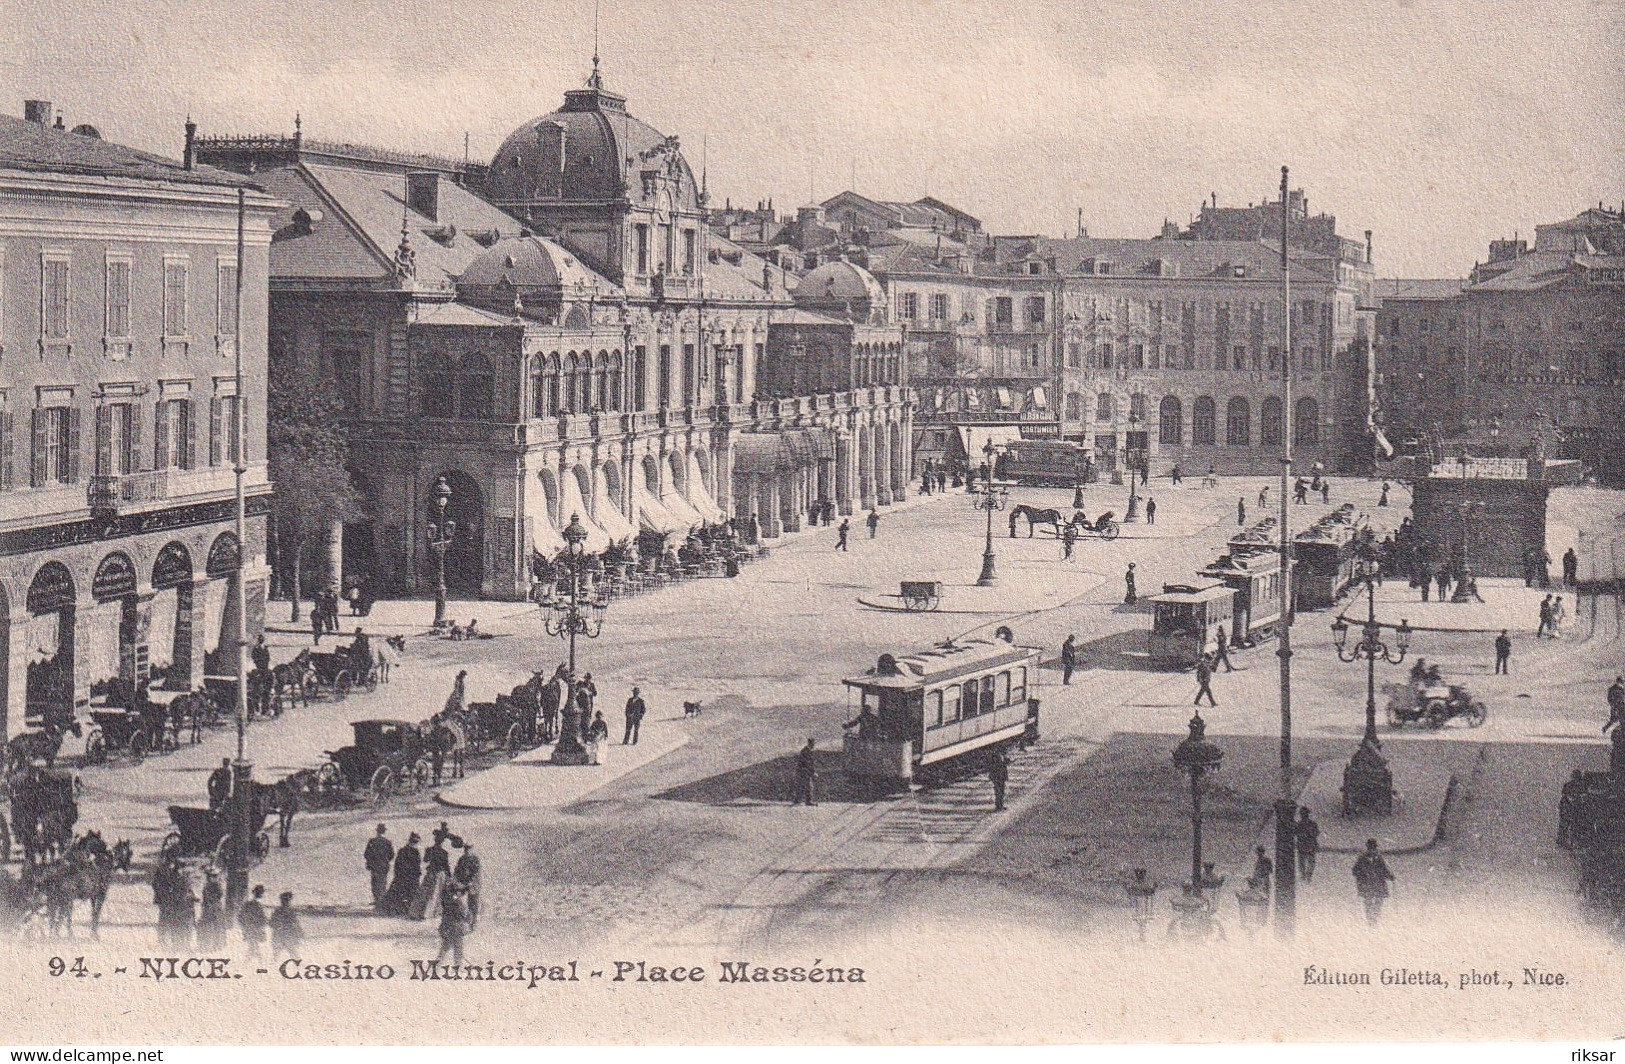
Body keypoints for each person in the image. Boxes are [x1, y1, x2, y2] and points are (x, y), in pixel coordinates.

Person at [1352, 839, 1395, 925]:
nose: (1373, 849)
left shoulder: (1374, 858)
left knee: (1374, 901)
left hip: (1373, 884)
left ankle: (1373, 918)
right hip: (1372, 884)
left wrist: (1390, 876)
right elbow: (1355, 871)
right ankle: (1372, 919)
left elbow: (1384, 869)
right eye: (1372, 847)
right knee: (1372, 902)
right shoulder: (1368, 858)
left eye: (1373, 847)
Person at [380, 832, 422, 917]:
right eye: (415, 842)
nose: (416, 844)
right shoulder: (414, 852)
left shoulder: (403, 850)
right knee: (405, 894)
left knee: (400, 894)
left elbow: (397, 864)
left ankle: (397, 909)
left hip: (403, 876)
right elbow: (415, 866)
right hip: (408, 877)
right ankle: (403, 910)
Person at [412, 834, 453, 921]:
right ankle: (427, 913)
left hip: (430, 873)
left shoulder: (429, 849)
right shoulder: (444, 852)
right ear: (442, 842)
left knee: (424, 892)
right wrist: (449, 876)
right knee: (434, 894)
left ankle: (416, 912)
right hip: (439, 875)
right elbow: (446, 866)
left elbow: (426, 860)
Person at [435, 884, 469, 966]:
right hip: (455, 928)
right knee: (456, 948)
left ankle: (438, 964)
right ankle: (457, 965)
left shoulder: (447, 900)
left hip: (448, 928)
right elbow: (462, 915)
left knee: (445, 947)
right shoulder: (457, 902)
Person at [454, 842, 482, 931]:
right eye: (465, 848)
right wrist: (457, 881)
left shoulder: (475, 859)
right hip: (462, 883)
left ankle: (473, 923)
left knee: (473, 903)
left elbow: (476, 873)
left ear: (472, 849)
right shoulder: (462, 859)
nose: (467, 850)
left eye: (469, 848)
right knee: (458, 900)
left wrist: (469, 882)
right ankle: (462, 922)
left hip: (472, 884)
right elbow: (457, 870)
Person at [364, 823, 394, 906]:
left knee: (374, 882)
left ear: (377, 831)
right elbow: (392, 854)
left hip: (374, 866)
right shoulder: (387, 842)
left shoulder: (372, 841)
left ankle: (376, 899)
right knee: (383, 882)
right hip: (384, 865)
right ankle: (382, 900)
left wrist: (371, 860)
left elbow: (366, 854)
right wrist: (386, 860)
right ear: (384, 832)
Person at [269, 891, 303, 959]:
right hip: (288, 936)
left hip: (279, 935)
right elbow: (295, 923)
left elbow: (271, 923)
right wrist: (300, 932)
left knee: (276, 955)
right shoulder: (290, 911)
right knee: (293, 953)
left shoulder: (277, 911)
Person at [197, 870, 225, 950]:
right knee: (207, 927)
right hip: (208, 909)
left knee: (216, 927)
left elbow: (219, 895)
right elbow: (205, 897)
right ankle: (206, 945)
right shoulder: (207, 885)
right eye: (212, 877)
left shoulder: (217, 885)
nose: (213, 878)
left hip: (215, 909)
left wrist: (211, 901)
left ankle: (216, 945)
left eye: (214, 877)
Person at [237, 884, 268, 959]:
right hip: (256, 929)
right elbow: (263, 918)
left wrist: (244, 927)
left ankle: (252, 962)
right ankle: (259, 963)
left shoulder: (248, 903)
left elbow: (240, 917)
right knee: (254, 947)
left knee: (253, 947)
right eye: (262, 892)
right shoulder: (258, 904)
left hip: (250, 929)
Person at [1295, 808, 1320, 883]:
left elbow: (1295, 833)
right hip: (1309, 845)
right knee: (1310, 861)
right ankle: (1308, 875)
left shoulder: (1299, 824)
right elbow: (1316, 833)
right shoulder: (1312, 824)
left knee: (1303, 861)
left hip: (1303, 845)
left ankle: (1304, 875)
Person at [793, 738, 818, 806]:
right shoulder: (806, 751)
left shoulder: (806, 751)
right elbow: (808, 764)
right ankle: (807, 801)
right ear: (810, 743)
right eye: (813, 743)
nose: (814, 745)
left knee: (803, 786)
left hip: (804, 772)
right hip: (803, 772)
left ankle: (798, 800)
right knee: (807, 786)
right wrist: (813, 772)